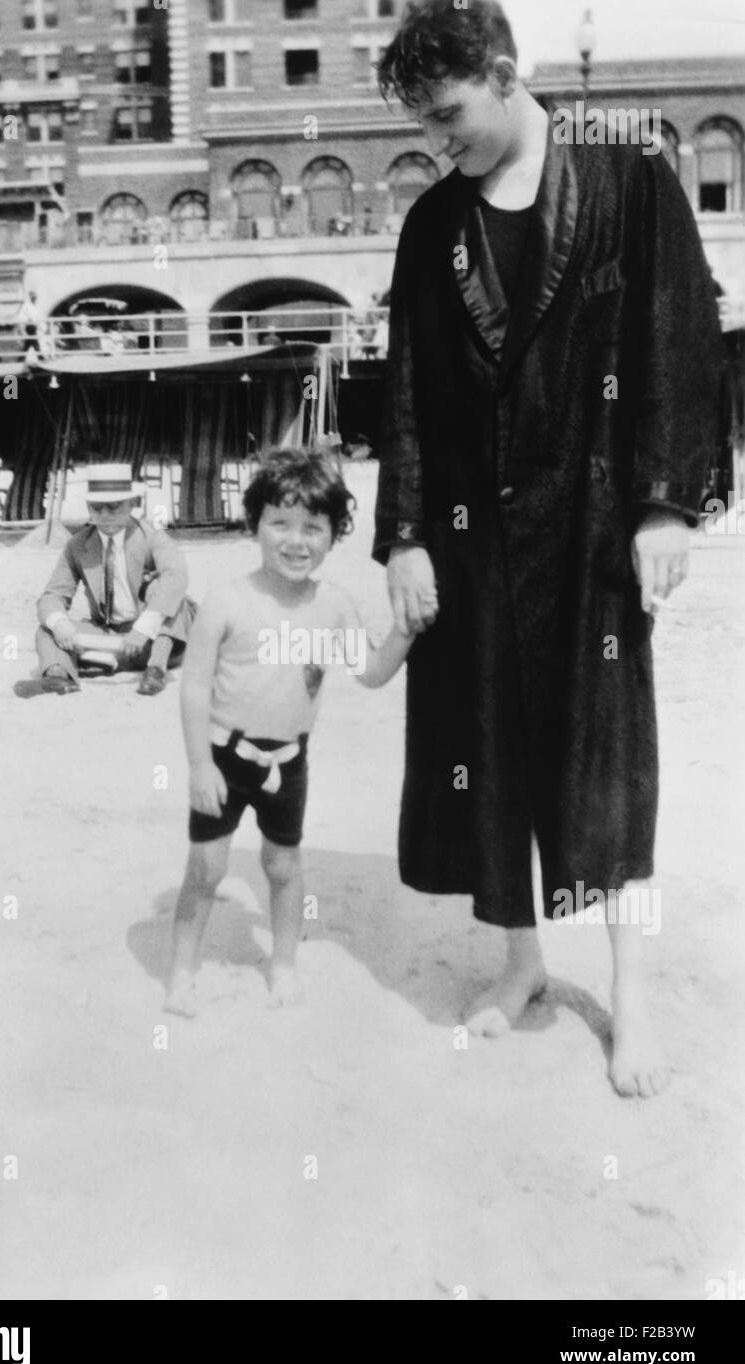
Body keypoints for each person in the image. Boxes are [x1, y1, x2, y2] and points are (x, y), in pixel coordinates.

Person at [374, 0, 724, 1097]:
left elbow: (678, 339)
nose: (441, 145)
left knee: (605, 764)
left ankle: (631, 1001)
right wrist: (403, 538)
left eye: (449, 117)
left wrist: (665, 505)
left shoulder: (625, 183)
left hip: (589, 533)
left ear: (502, 69)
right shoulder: (432, 226)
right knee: (485, 757)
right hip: (474, 539)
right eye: (426, 132)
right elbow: (410, 396)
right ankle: (521, 965)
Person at [164, 449, 412, 1017]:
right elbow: (195, 688)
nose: (296, 540)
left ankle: (282, 963)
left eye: (313, 528)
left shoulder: (334, 607)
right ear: (255, 525)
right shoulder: (228, 600)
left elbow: (371, 673)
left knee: (283, 867)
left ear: (334, 534)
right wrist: (200, 766)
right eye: (280, 523)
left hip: (288, 763)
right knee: (205, 869)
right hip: (224, 759)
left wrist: (406, 630)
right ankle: (181, 973)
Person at [33, 463, 195, 697]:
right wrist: (60, 623)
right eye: (96, 508)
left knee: (169, 595)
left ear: (132, 504)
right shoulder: (78, 545)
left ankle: (155, 669)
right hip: (109, 632)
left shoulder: (152, 537)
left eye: (114, 507)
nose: (105, 516)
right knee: (46, 629)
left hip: (154, 637)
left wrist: (142, 629)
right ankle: (59, 673)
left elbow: (177, 576)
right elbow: (52, 595)